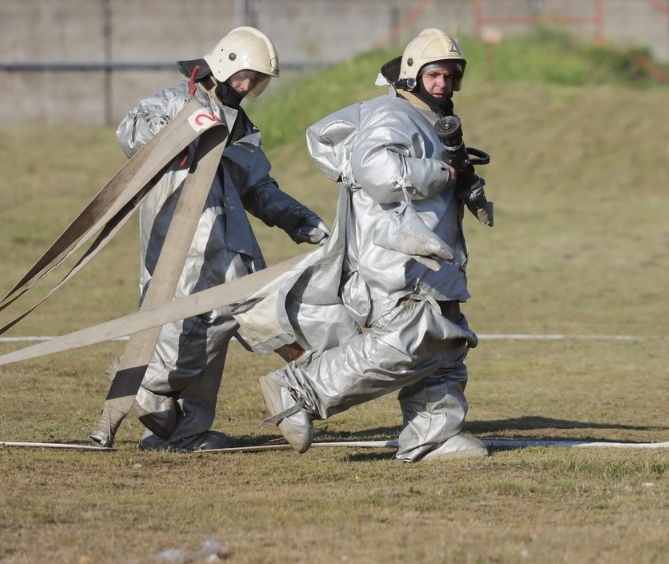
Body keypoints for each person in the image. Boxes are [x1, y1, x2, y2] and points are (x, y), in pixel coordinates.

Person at [247, 28, 490, 462]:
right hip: (396, 261)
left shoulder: (427, 120)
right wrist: (441, 173)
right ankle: (297, 389)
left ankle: (431, 436)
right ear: (413, 73)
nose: (443, 84)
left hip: (431, 263)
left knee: (446, 348)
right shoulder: (393, 113)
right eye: (435, 74)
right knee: (409, 340)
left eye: (451, 77)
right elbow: (375, 168)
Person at [114, 26, 330, 452]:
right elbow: (130, 135)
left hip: (232, 256)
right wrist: (182, 124)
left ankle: (187, 432)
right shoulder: (174, 101)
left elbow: (259, 188)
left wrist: (302, 221)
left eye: (257, 81)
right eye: (246, 75)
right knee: (180, 341)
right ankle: (142, 395)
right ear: (226, 63)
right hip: (178, 257)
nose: (248, 87)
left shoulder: (242, 126)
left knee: (214, 342)